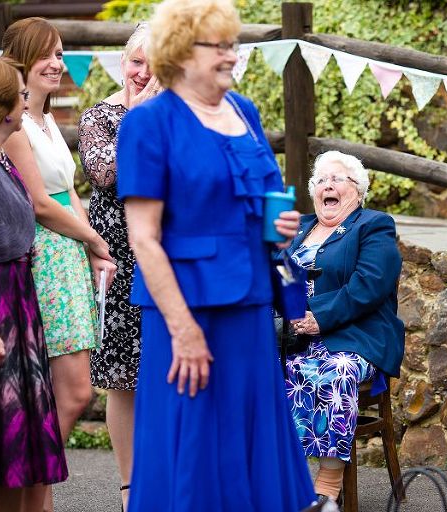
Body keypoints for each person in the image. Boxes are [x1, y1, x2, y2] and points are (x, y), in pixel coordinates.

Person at [116, 0, 316, 510]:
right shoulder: (148, 124)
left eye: (234, 44)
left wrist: (280, 227)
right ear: (182, 53)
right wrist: (182, 330)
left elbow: (259, 203)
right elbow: (144, 238)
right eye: (219, 46)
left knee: (254, 436)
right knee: (192, 442)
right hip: (185, 311)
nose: (232, 55)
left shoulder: (244, 111)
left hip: (249, 304)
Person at [1, 17, 117, 511]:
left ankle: (37, 497)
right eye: (46, 54)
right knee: (69, 392)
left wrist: (90, 245)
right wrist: (93, 238)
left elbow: (67, 190)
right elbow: (38, 203)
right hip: (41, 256)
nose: (56, 62)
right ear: (23, 62)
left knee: (59, 393)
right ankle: (28, 496)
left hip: (67, 253)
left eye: (61, 51)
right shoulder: (14, 122)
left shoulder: (48, 121)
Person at [0, 57, 67, 512]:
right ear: (0, 103)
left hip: (17, 302)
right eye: (20, 94)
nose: (27, 101)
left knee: (11, 442)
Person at [282, 151, 405, 504]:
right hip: (292, 337)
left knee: (333, 371)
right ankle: (271, 474)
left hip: (352, 337)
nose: (327, 186)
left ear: (358, 191)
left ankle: (327, 487)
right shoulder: (299, 228)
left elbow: (370, 283)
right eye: (321, 181)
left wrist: (317, 316)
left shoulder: (373, 226)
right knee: (246, 370)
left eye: (337, 179)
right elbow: (276, 274)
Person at [77, 22, 158, 511]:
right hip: (116, 258)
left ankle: (167, 477)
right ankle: (130, 486)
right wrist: (140, 116)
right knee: (124, 378)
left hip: (165, 257)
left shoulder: (177, 115)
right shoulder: (100, 117)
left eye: (153, 65)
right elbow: (110, 174)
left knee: (167, 372)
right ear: (122, 61)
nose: (142, 74)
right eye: (135, 62)